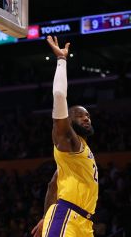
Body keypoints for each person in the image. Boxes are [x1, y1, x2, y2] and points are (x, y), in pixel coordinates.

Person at [31, 36, 98, 237]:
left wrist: (44, 217)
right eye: (80, 115)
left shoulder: (80, 149)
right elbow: (59, 96)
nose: (86, 119)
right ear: (68, 120)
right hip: (67, 216)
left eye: (88, 116)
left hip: (84, 222)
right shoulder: (67, 139)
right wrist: (61, 60)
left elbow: (53, 185)